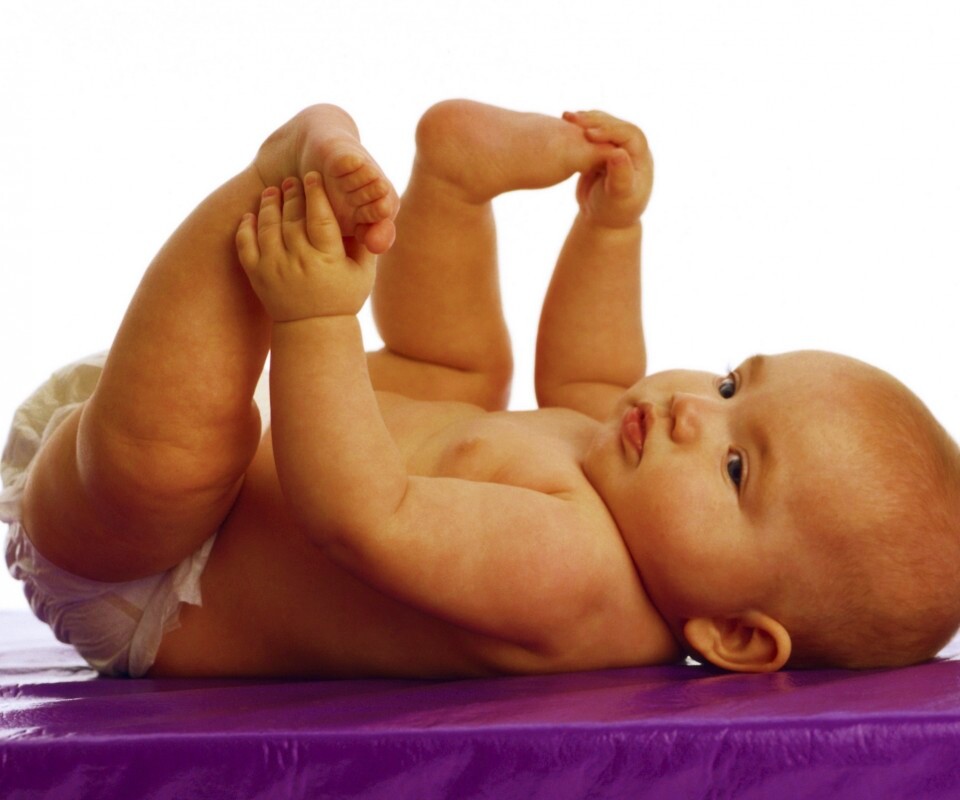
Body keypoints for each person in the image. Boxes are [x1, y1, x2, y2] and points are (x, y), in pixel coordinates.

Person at [3, 100, 959, 679]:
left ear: (737, 636)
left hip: (158, 565)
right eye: (731, 383)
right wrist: (611, 229)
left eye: (738, 466)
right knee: (459, 373)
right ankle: (453, 184)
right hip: (237, 410)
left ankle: (271, 179)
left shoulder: (576, 575)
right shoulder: (627, 475)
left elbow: (362, 513)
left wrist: (316, 320)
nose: (693, 411)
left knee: (175, 468)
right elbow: (589, 378)